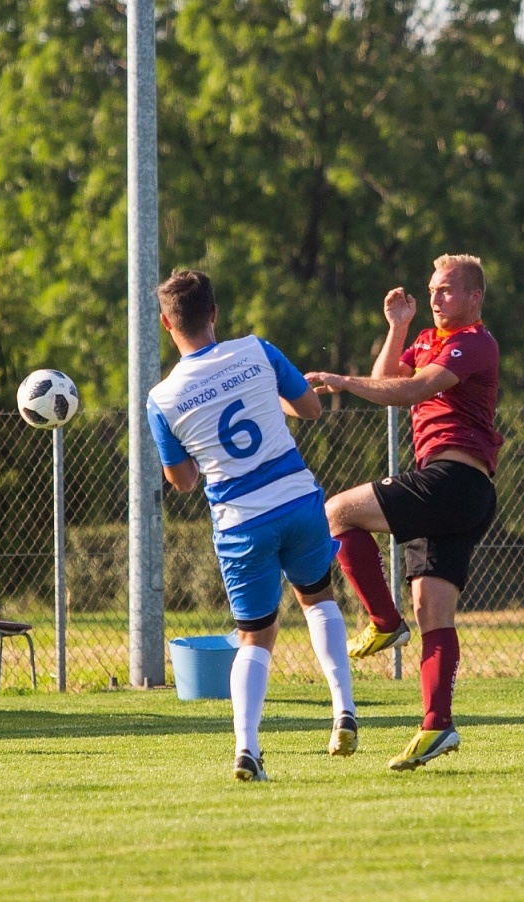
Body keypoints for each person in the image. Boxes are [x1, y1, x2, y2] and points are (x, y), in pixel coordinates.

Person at [147, 270, 358, 782]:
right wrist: (276, 398)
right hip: (295, 498)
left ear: (165, 323)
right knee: (318, 598)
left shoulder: (162, 399)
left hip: (241, 520)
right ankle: (344, 709)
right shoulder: (256, 350)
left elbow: (183, 482)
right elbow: (309, 409)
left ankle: (247, 748)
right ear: (214, 313)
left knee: (255, 637)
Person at [304, 253, 502, 772]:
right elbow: (388, 378)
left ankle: (382, 620)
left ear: (474, 297)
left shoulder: (474, 342)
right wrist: (397, 327)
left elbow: (412, 389)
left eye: (447, 290)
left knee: (337, 512)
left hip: (453, 481)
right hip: (458, 494)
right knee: (433, 612)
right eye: (432, 289)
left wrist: (343, 382)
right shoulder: (427, 339)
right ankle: (438, 726)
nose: (436, 298)